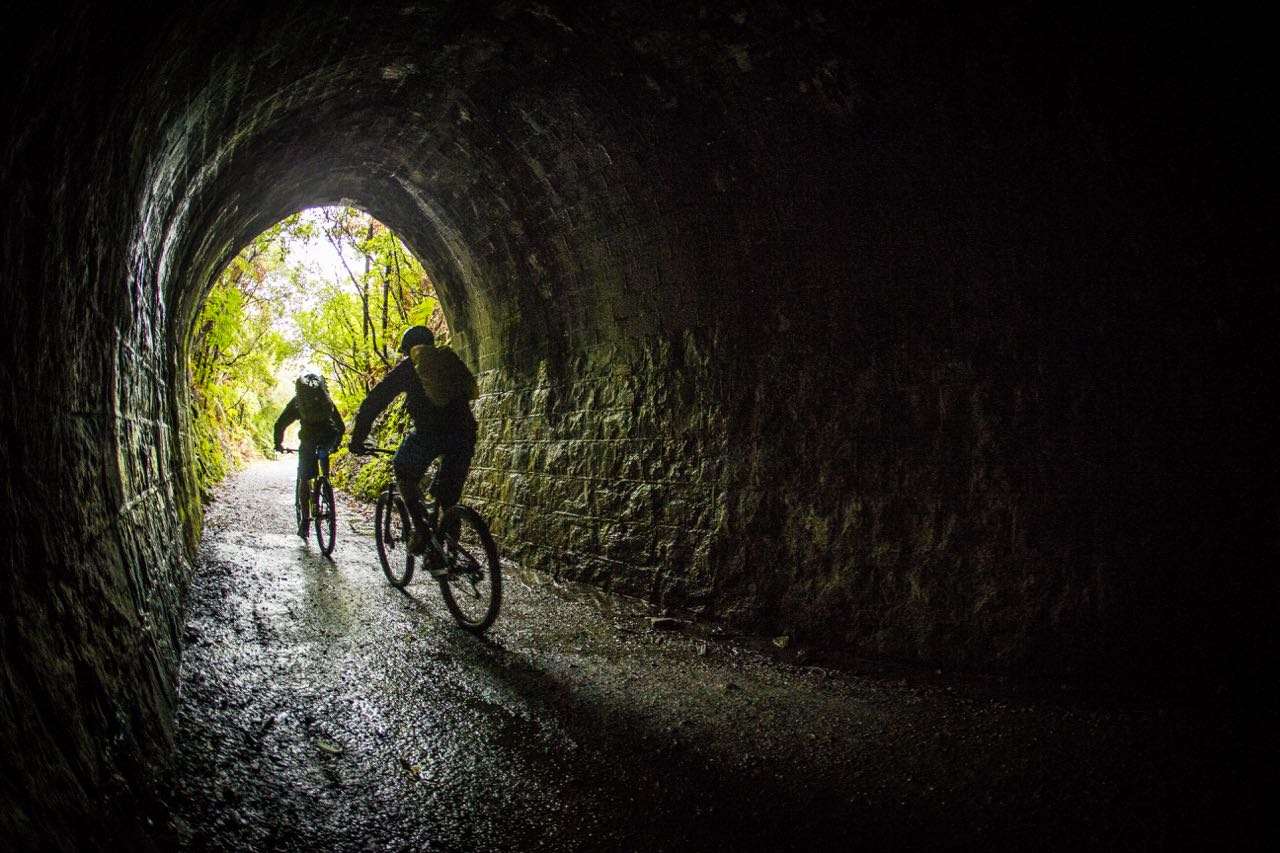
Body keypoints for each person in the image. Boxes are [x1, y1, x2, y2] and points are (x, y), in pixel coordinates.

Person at [348, 325, 477, 559]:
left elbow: (374, 402)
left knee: (403, 470)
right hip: (465, 433)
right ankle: (450, 557)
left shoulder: (409, 368)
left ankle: (420, 530)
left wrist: (358, 439)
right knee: (448, 498)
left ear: (408, 350)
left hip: (431, 433)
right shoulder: (448, 361)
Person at [274, 370, 345, 538]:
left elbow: (280, 424)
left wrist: (278, 444)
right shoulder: (325, 399)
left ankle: (305, 522)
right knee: (323, 457)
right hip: (329, 437)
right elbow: (340, 426)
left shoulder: (298, 402)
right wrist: (336, 443)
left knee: (305, 478)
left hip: (308, 441)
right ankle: (325, 486)